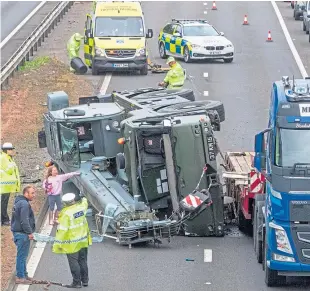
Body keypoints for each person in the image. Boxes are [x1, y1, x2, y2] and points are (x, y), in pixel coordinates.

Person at [52, 193, 92, 288]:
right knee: (83, 260)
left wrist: (57, 244)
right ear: (74, 200)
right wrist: (83, 196)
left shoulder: (66, 214)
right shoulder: (81, 208)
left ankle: (77, 282)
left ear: (64, 203)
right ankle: (85, 280)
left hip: (72, 243)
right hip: (83, 240)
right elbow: (85, 202)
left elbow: (62, 230)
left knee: (74, 262)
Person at [11, 185, 36, 285]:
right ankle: (20, 276)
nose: (34, 195)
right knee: (21, 256)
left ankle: (24, 274)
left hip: (17, 232)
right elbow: (24, 220)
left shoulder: (18, 202)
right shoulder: (24, 204)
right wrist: (29, 232)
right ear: (26, 193)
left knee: (23, 255)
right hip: (22, 234)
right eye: (32, 193)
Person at [0, 142, 21, 226]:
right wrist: (12, 164)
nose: (12, 151)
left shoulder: (8, 157)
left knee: (4, 202)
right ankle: (4, 220)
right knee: (4, 202)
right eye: (11, 149)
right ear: (7, 150)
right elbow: (9, 170)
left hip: (7, 185)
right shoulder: (3, 158)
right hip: (5, 185)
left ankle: (4, 219)